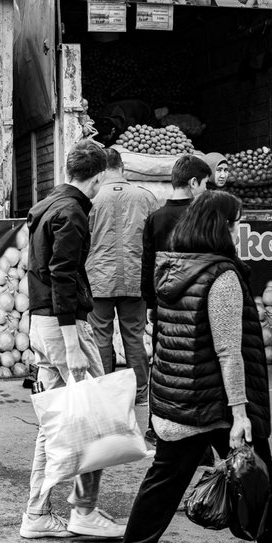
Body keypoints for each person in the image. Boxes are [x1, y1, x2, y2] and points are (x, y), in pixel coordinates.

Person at [103, 191, 272, 543]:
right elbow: (229, 353)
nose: (235, 231)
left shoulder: (171, 269)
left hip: (178, 400)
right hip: (216, 406)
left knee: (161, 487)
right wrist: (241, 413)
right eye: (233, 224)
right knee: (258, 481)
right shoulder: (221, 276)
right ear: (220, 227)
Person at [20, 144, 126, 541]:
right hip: (63, 327)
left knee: (54, 424)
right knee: (98, 417)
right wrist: (73, 344)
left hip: (42, 324)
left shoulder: (47, 204)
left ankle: (37, 513)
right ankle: (84, 509)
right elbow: (62, 274)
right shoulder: (73, 212)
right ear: (97, 178)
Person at [85, 147, 158, 408]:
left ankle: (105, 393)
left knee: (100, 337)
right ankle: (140, 392)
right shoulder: (145, 197)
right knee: (134, 336)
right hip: (135, 278)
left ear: (100, 171)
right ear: (122, 167)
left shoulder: (91, 199)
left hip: (99, 279)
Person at [141, 155, 212, 316]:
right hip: (196, 303)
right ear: (193, 182)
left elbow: (148, 264)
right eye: (205, 183)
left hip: (164, 302)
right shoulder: (202, 216)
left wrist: (150, 303)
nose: (206, 189)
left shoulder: (154, 218)